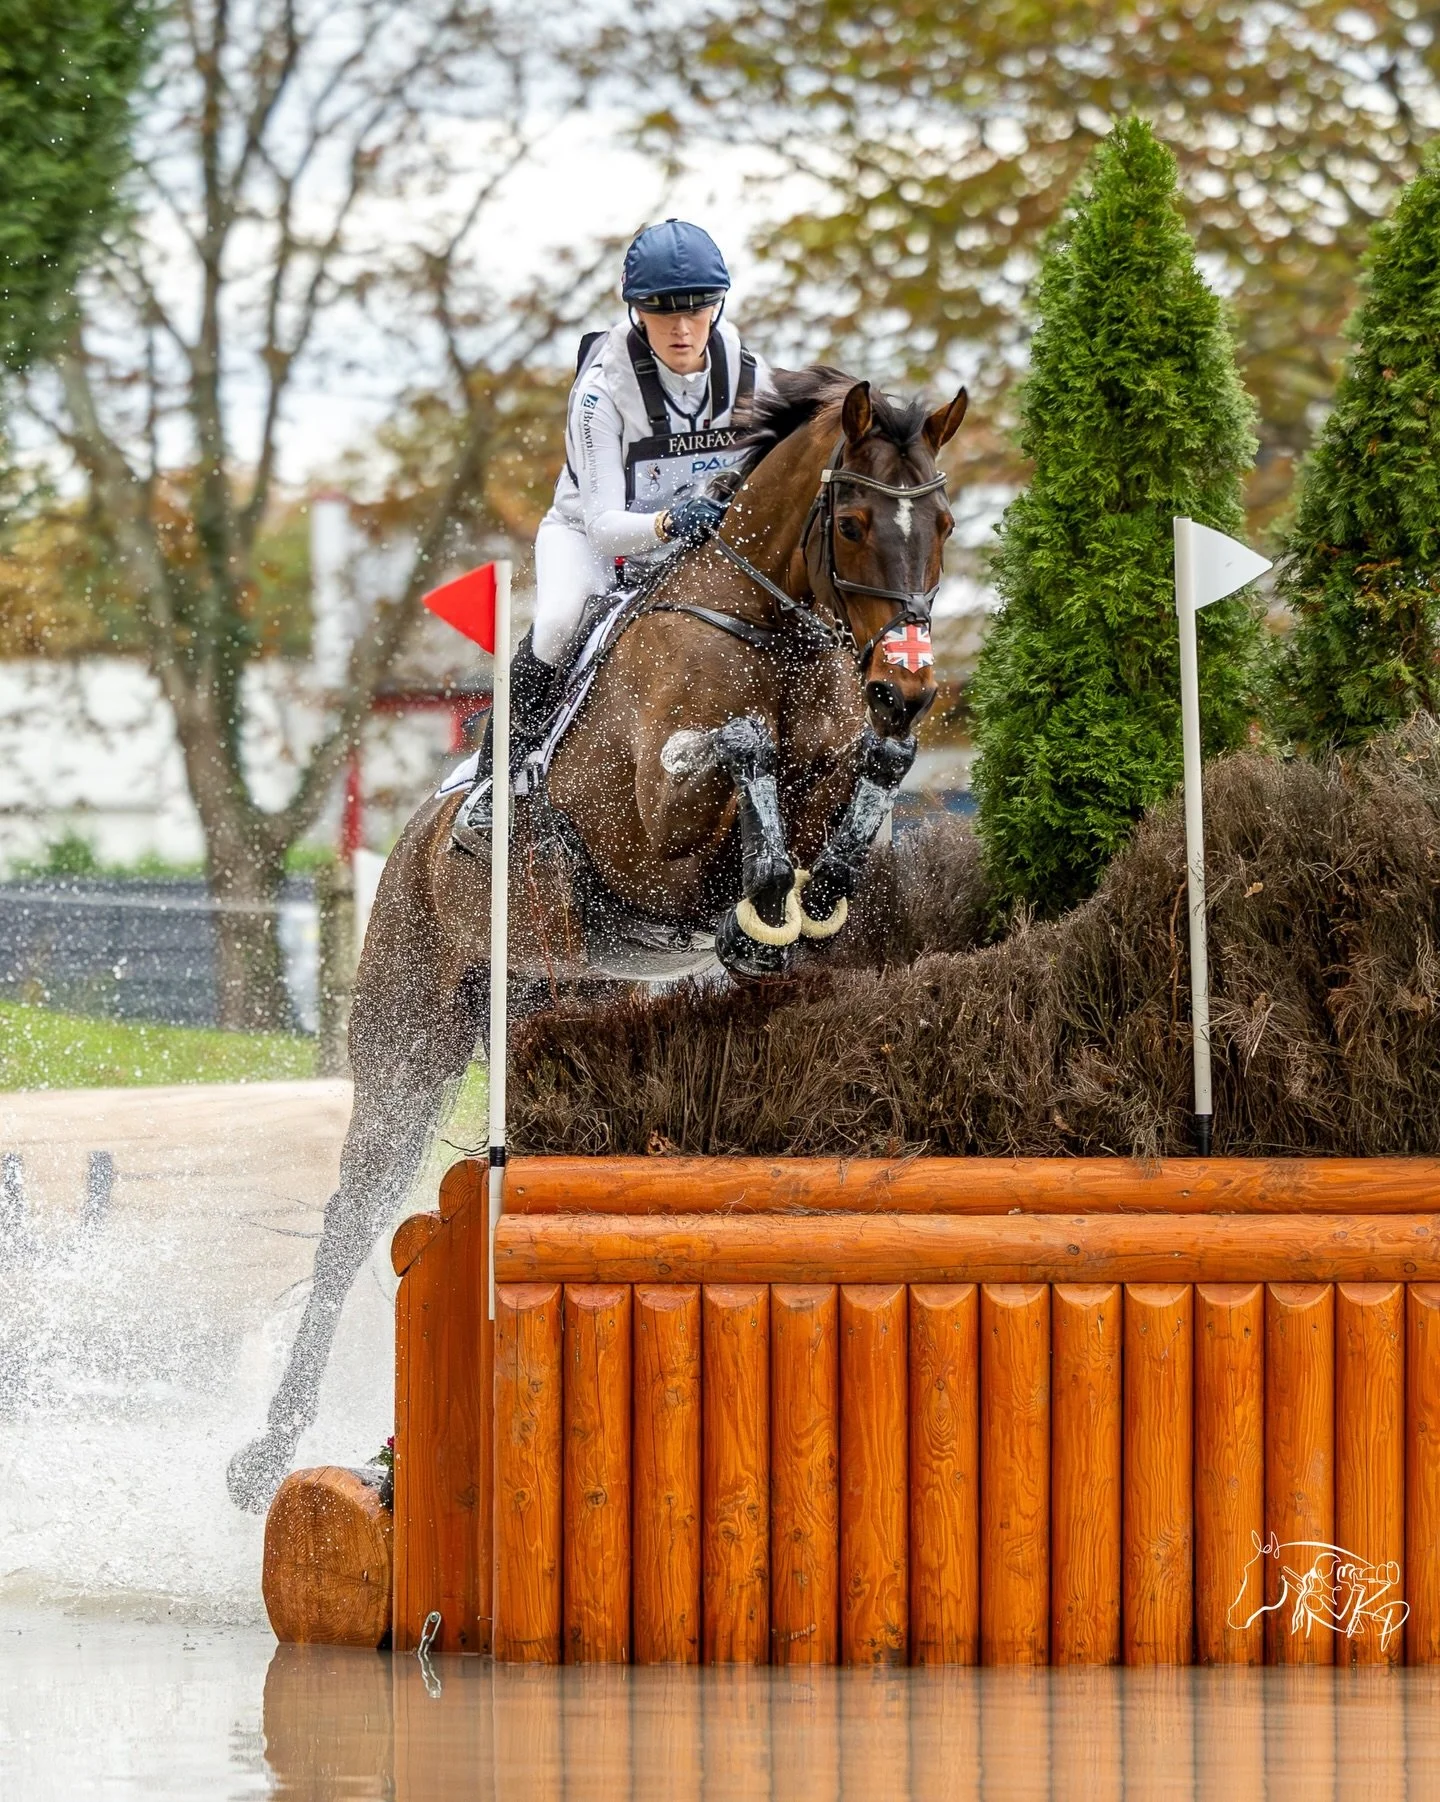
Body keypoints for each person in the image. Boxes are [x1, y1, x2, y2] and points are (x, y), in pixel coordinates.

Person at [455, 219, 772, 840]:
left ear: (718, 306)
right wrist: (668, 520)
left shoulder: (752, 377)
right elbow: (603, 527)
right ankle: (494, 779)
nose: (682, 329)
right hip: (592, 535)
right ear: (636, 312)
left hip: (698, 545)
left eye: (697, 309)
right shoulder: (602, 392)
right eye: (661, 312)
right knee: (558, 620)